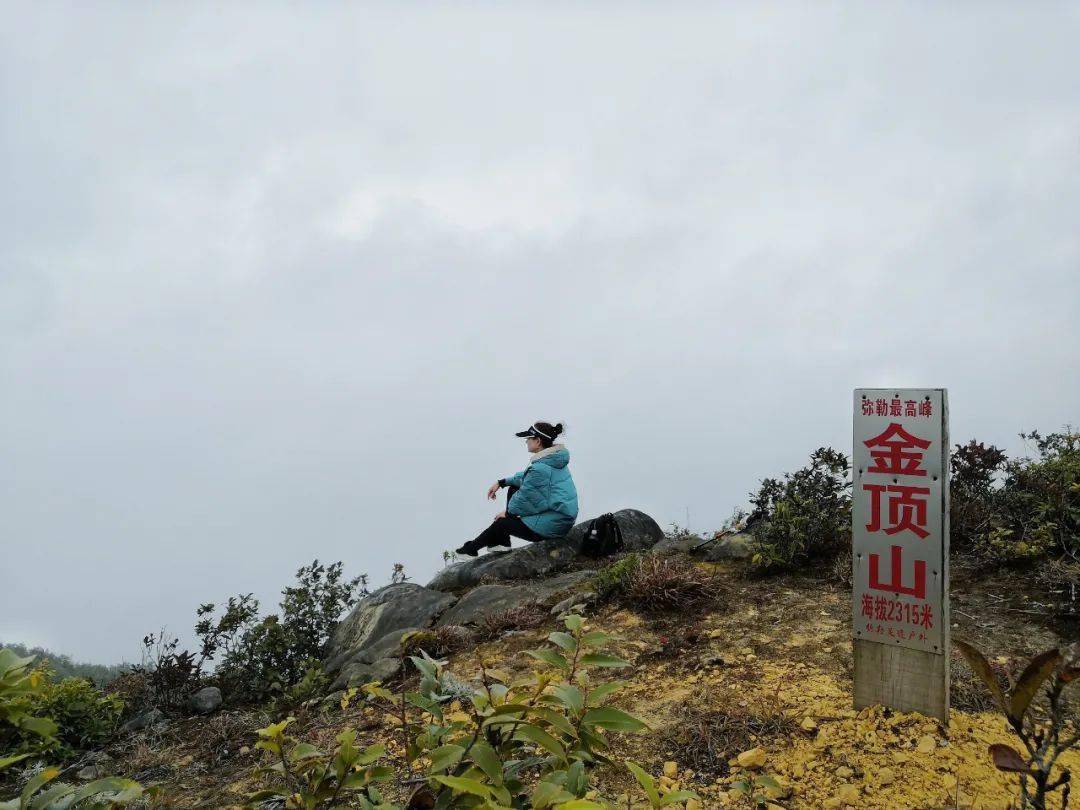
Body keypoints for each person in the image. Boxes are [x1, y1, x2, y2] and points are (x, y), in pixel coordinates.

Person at [455, 421, 579, 557]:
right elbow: (527, 478)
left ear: (537, 441)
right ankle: (500, 542)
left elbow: (525, 496)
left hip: (553, 525)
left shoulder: (540, 469)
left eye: (528, 439)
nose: (526, 442)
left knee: (502, 523)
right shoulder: (553, 460)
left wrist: (508, 513)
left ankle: (472, 548)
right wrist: (501, 482)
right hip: (560, 518)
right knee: (513, 490)